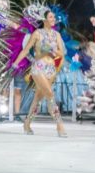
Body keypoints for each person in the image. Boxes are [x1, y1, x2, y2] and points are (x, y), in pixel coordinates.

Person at [12, 7, 67, 137]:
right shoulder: (37, 33)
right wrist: (15, 63)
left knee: (37, 99)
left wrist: (53, 51)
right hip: (39, 68)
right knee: (50, 94)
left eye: (54, 17)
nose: (54, 19)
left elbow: (61, 53)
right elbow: (26, 50)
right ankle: (60, 125)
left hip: (51, 69)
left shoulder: (57, 35)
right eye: (51, 17)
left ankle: (27, 123)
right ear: (44, 20)